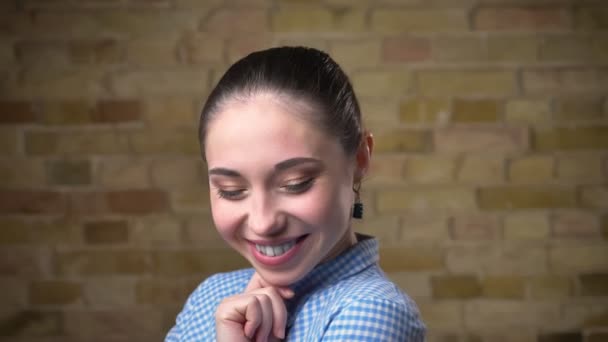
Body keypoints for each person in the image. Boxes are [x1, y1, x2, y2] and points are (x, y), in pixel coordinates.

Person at [165, 46, 426, 341]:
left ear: (360, 159)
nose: (263, 223)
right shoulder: (211, 297)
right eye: (232, 191)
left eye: (296, 183)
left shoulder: (373, 310)